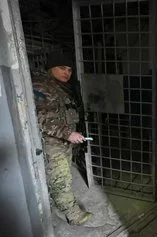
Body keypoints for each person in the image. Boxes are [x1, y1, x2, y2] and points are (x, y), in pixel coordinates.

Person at [32, 52, 93, 225]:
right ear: (50, 68)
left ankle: (53, 204)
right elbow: (40, 117)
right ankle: (74, 215)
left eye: (69, 69)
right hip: (52, 142)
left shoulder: (58, 86)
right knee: (61, 178)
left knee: (58, 176)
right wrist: (68, 134)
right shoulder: (41, 86)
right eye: (61, 68)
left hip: (61, 141)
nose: (66, 72)